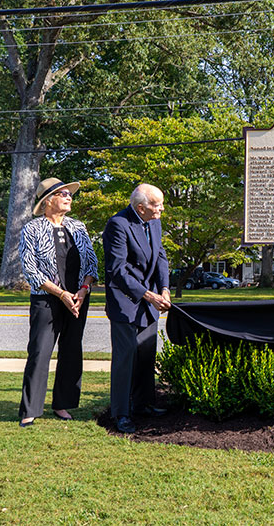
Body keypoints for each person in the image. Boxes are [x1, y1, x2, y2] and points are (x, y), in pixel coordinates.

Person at [18, 177, 98, 427]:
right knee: (40, 351)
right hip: (47, 299)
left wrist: (82, 291)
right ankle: (30, 409)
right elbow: (30, 270)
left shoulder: (79, 227)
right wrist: (61, 294)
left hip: (78, 298)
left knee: (72, 350)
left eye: (69, 194)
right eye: (62, 194)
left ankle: (62, 404)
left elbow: (92, 263)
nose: (68, 197)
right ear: (47, 201)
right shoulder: (32, 228)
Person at [103, 184, 171, 434]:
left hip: (149, 300)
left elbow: (160, 256)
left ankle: (143, 404)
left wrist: (164, 288)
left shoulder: (154, 221)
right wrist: (148, 295)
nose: (162, 208)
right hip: (125, 301)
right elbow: (116, 270)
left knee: (145, 353)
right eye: (157, 204)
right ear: (141, 207)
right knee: (126, 357)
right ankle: (121, 413)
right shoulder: (118, 225)